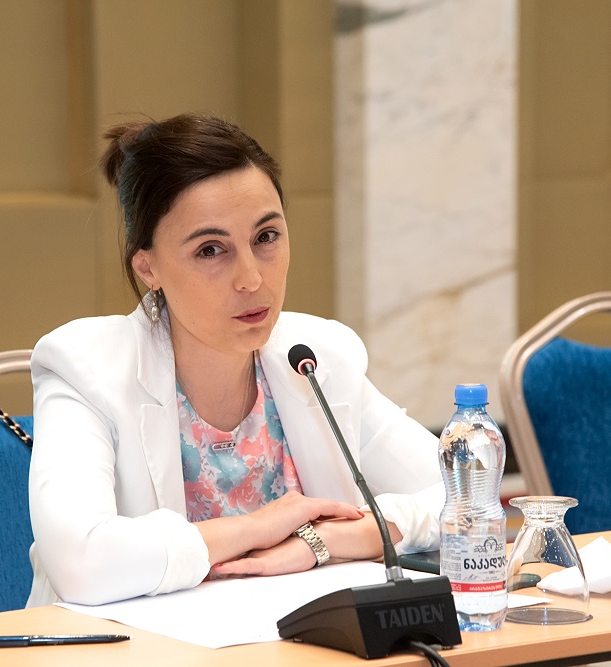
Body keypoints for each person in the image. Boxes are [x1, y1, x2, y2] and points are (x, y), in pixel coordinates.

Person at [25, 113, 445, 607]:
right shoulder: (85, 368)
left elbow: (464, 491)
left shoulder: (317, 356)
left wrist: (324, 540)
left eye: (265, 237)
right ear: (148, 267)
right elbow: (81, 562)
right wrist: (256, 527)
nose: (251, 279)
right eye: (210, 250)